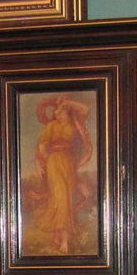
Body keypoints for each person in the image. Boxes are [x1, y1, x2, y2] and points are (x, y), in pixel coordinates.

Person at [30, 94, 93, 256]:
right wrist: (42, 161)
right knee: (61, 195)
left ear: (67, 111)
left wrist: (67, 102)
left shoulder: (75, 124)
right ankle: (64, 238)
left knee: (67, 197)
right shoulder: (52, 126)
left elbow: (86, 109)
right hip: (54, 162)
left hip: (69, 163)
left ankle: (58, 234)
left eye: (60, 111)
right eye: (56, 112)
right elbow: (43, 145)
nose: (57, 114)